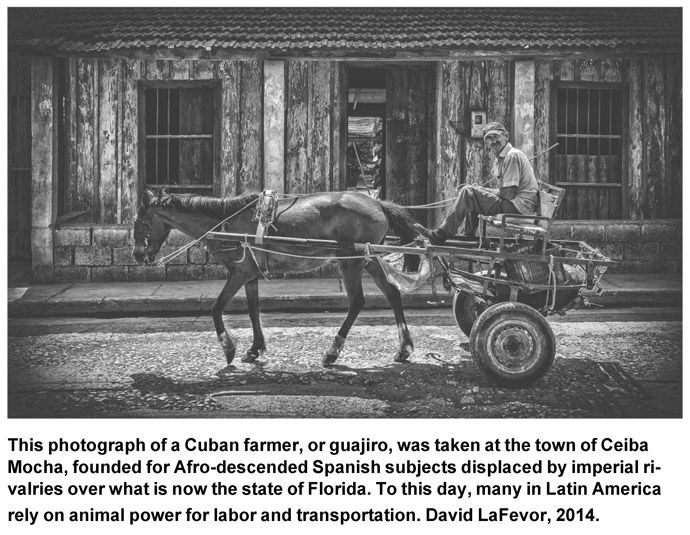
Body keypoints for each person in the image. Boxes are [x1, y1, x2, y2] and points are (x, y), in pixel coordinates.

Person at [420, 122, 539, 245]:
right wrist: (481, 190)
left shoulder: (512, 156)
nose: (492, 141)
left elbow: (509, 194)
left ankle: (441, 234)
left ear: (506, 136)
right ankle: (468, 235)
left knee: (469, 193)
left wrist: (481, 191)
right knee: (472, 193)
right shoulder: (502, 158)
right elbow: (506, 192)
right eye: (488, 138)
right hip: (515, 203)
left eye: (495, 136)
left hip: (519, 206)